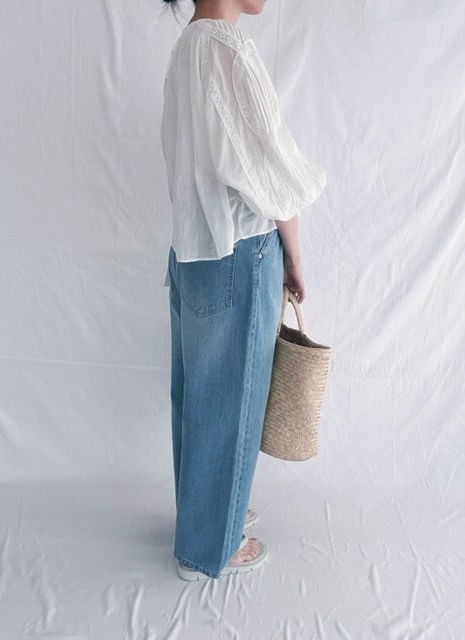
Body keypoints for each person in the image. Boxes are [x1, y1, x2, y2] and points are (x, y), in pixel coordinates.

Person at [159, 0, 326, 580]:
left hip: (194, 249)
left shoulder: (187, 47)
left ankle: (206, 516)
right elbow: (271, 171)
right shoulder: (227, 49)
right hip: (239, 248)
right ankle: (212, 545)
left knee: (199, 397)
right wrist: (294, 256)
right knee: (232, 399)